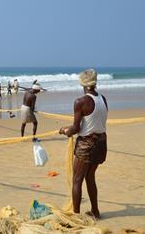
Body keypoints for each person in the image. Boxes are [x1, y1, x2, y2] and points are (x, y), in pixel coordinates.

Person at [59, 69, 108, 219]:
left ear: (83, 84)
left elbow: (76, 128)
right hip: (101, 144)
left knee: (77, 179)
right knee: (90, 177)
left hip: (87, 145)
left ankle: (76, 216)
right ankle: (95, 211)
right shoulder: (103, 99)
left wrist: (64, 131)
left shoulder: (80, 102)